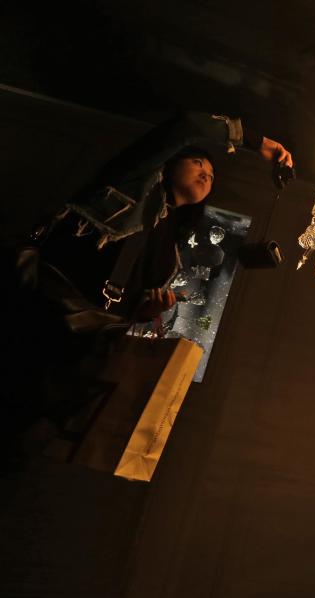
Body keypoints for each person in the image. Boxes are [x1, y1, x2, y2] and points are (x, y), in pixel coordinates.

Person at [1, 111, 294, 465]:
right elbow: (185, 128)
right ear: (169, 165)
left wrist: (146, 311)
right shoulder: (134, 181)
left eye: (212, 176)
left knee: (28, 436)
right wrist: (256, 141)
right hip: (44, 305)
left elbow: (130, 309)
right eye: (198, 163)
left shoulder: (171, 249)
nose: (206, 174)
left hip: (82, 340)